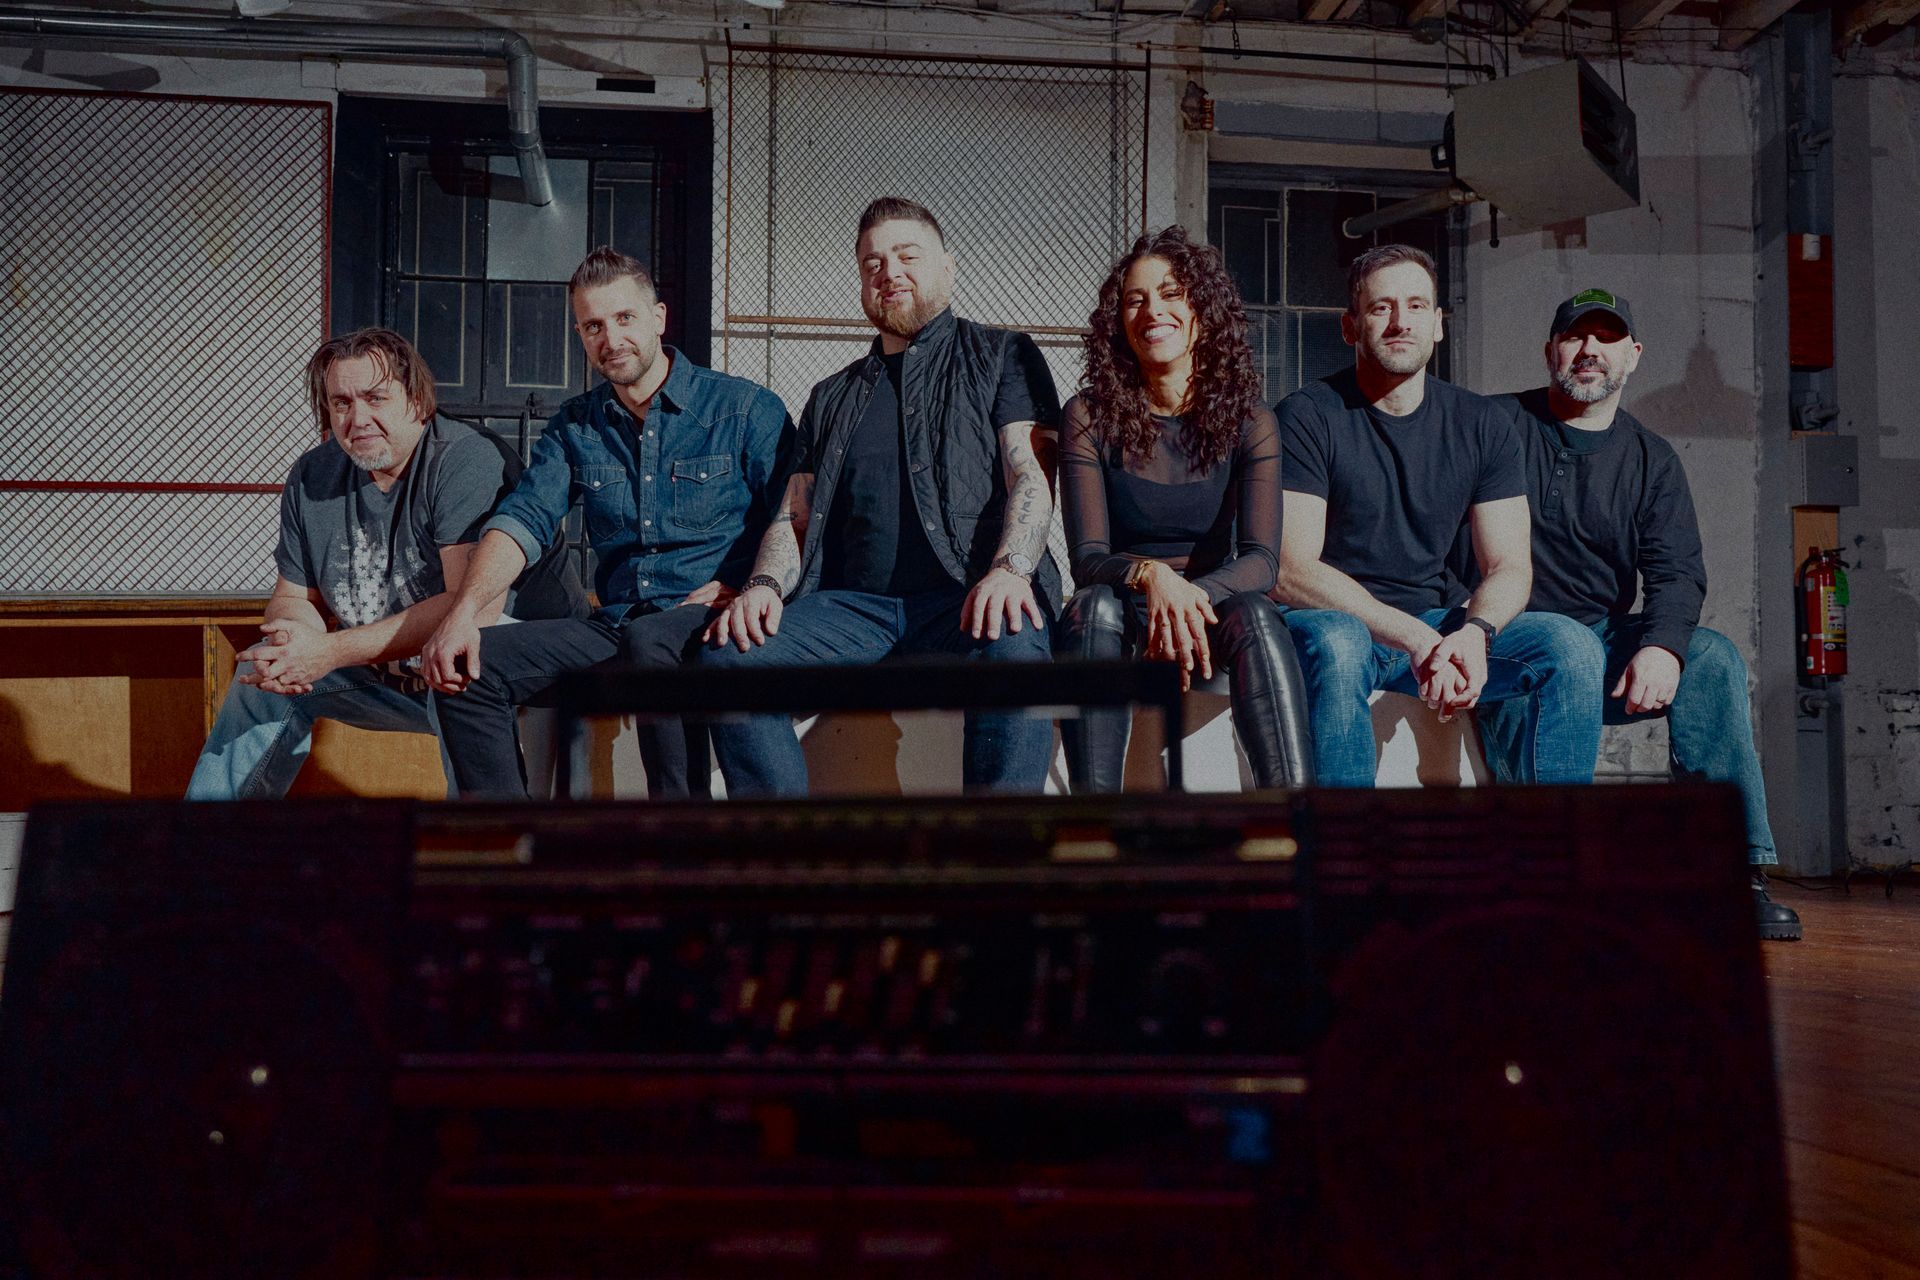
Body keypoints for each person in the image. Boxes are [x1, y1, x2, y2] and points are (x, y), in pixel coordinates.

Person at [699, 197, 1060, 797]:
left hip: (965, 597)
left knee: (1016, 648)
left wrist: (1011, 569)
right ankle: (778, 848)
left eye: (906, 256)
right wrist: (761, 587)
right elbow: (793, 515)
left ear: (948, 266)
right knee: (728, 656)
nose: (888, 272)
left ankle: (999, 851)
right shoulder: (831, 395)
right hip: (856, 610)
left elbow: (1031, 475)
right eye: (872, 263)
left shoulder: (1003, 355)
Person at [1471, 289, 1801, 939]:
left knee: (1710, 657)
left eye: (1607, 338)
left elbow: (1677, 573)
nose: (1590, 350)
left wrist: (1662, 646)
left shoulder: (1652, 461)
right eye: (1575, 336)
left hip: (1599, 644)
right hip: (1508, 641)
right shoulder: (1492, 426)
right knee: (1553, 653)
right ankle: (1541, 872)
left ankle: (1737, 871)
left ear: (1633, 355)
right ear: (1550, 350)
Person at [419, 247, 792, 799]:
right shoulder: (577, 425)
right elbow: (523, 519)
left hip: (711, 617)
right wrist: (462, 614)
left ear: (658, 318)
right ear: (580, 333)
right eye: (593, 326)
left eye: (624, 318)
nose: (611, 339)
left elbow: (792, 518)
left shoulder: (743, 409)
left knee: (651, 640)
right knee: (469, 667)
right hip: (619, 625)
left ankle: (677, 834)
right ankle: (507, 837)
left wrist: (757, 585)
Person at [186, 327, 581, 798]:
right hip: (389, 674)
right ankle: (206, 837)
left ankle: (477, 841)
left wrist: (329, 652)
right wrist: (294, 641)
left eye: (376, 398)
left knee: (456, 667)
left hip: (500, 677)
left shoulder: (465, 458)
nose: (358, 419)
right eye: (342, 403)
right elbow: (292, 596)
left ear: (417, 400)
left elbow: (471, 610)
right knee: (260, 680)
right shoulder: (312, 475)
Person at [1273, 244, 1603, 787]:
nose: (1401, 321)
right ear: (1350, 327)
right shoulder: (1308, 416)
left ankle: (1557, 835)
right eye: (1381, 307)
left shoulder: (1482, 424)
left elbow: (1510, 567)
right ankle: (1341, 838)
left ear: (1438, 325)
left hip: (1431, 622)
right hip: (1335, 623)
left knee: (1573, 648)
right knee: (1340, 643)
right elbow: (1291, 570)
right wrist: (1416, 639)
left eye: (1417, 306)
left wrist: (1474, 634)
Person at [1055, 226, 1311, 791]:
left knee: (1257, 613)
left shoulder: (1251, 420)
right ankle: (1093, 823)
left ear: (1202, 310)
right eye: (1135, 299)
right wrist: (1152, 578)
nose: (1153, 311)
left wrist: (1190, 597)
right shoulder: (1087, 416)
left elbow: (1263, 561)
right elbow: (1088, 558)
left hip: (1209, 609)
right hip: (1123, 608)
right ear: (1119, 321)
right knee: (1091, 608)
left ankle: (1292, 816)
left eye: (1171, 294)